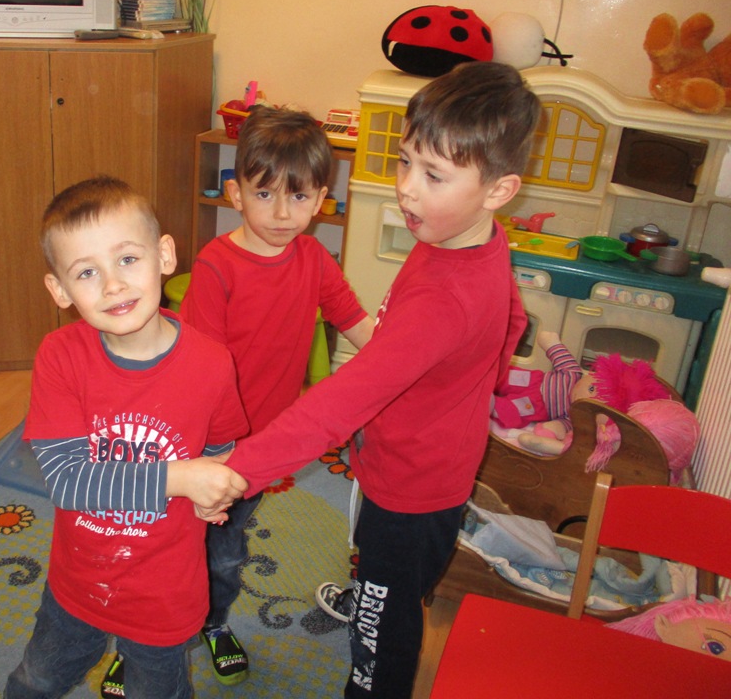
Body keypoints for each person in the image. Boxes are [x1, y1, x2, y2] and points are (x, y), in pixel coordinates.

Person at [215, 61, 542, 699]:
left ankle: (374, 626)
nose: (408, 191)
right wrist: (481, 381)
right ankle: (374, 588)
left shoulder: (445, 299)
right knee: (379, 564)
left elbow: (338, 403)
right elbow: (513, 316)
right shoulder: (466, 235)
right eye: (405, 162)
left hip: (413, 485)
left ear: (499, 190)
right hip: (415, 456)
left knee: (383, 631)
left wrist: (237, 470)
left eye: (434, 176)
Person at [148, 106, 373, 689]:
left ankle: (214, 622)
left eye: (298, 197)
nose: (280, 213)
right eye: (264, 193)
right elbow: (199, 369)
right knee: (171, 548)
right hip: (206, 442)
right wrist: (214, 453)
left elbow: (355, 322)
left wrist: (404, 367)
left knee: (226, 551)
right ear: (235, 193)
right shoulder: (217, 265)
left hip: (261, 446)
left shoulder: (314, 259)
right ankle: (143, 639)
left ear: (321, 200)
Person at [3, 176, 250, 699]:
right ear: (60, 291)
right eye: (86, 272)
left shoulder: (212, 363)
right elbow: (69, 482)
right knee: (36, 680)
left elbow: (220, 445)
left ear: (165, 256)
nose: (112, 285)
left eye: (128, 259)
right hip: (78, 583)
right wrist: (182, 478)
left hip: (165, 590)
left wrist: (214, 492)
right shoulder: (60, 357)